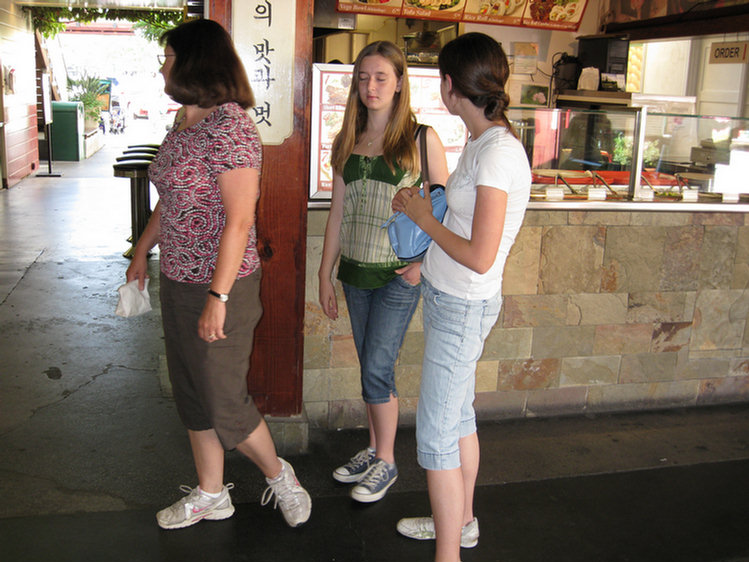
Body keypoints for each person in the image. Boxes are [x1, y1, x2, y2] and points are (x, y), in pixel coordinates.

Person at [125, 18, 311, 530]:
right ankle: (211, 493)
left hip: (222, 285)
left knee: (225, 400)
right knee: (191, 393)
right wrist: (142, 252)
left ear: (195, 60)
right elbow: (171, 201)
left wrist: (219, 295)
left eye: (168, 54)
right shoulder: (184, 121)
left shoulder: (231, 125)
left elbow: (241, 218)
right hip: (179, 278)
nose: (162, 63)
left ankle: (279, 475)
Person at [393, 33, 531, 561]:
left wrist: (424, 218)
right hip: (452, 298)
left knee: (436, 438)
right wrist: (424, 260)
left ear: (451, 85)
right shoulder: (480, 141)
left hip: (464, 306)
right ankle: (462, 523)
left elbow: (480, 254)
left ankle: (448, 552)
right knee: (458, 420)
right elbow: (464, 228)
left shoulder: (497, 152)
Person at [318, 41, 448, 503]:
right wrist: (324, 273)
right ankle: (374, 449)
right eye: (363, 77)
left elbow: (444, 209)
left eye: (381, 78)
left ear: (398, 84)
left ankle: (388, 462)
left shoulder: (420, 139)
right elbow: (336, 214)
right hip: (354, 272)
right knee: (370, 369)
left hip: (397, 276)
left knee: (377, 367)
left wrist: (421, 265)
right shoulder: (346, 139)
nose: (371, 86)